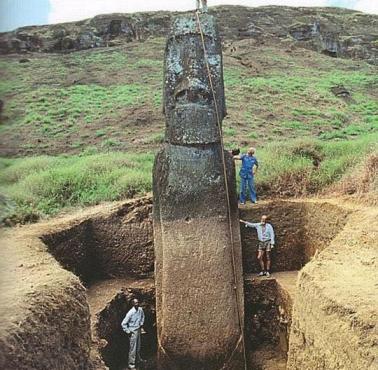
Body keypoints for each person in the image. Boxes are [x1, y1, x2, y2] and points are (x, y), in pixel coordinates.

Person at [121, 298, 145, 369]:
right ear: (133, 304)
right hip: (132, 331)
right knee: (133, 349)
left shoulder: (140, 310)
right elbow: (123, 323)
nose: (137, 304)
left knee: (138, 346)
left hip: (138, 329)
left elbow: (143, 317)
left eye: (138, 302)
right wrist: (128, 331)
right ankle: (131, 365)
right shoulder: (130, 312)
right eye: (135, 303)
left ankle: (138, 360)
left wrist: (141, 324)